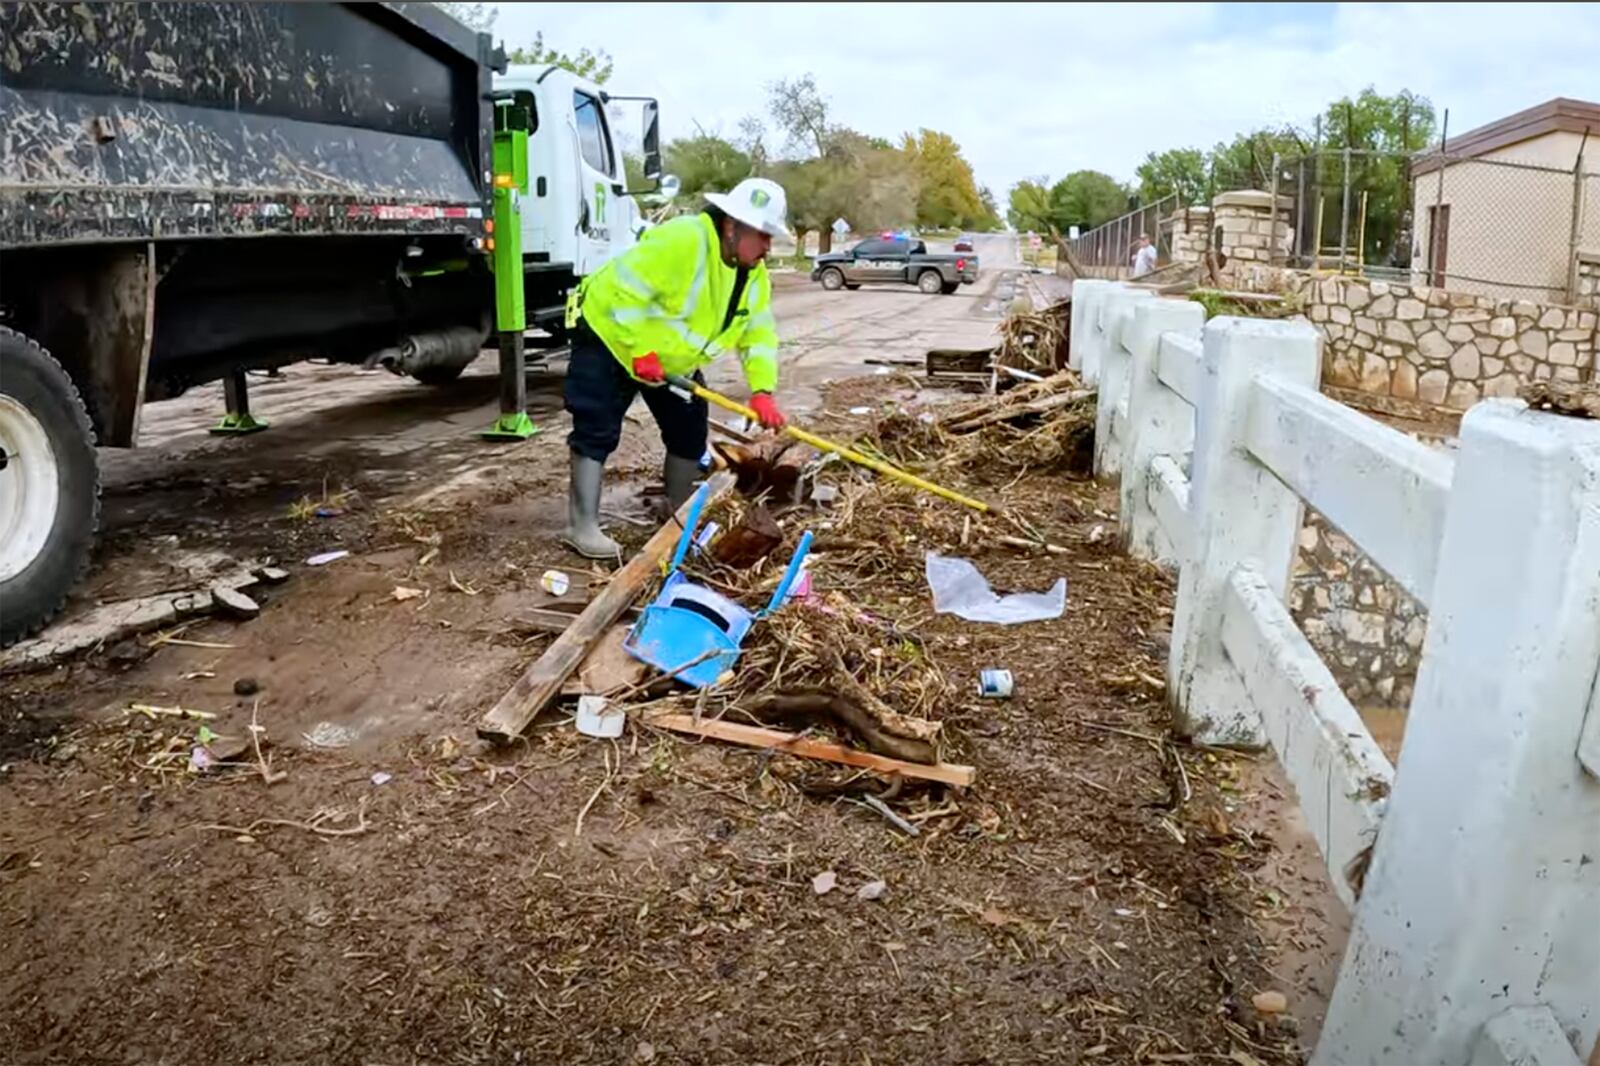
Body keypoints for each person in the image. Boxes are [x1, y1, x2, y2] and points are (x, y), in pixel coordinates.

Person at [560, 177, 790, 558]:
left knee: (688, 428)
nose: (768, 246)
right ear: (731, 226)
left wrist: (763, 390)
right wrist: (639, 350)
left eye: (771, 237)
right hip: (610, 338)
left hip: (668, 361)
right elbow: (625, 291)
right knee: (596, 425)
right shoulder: (683, 240)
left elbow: (759, 334)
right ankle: (581, 526)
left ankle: (678, 517)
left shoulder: (753, 275)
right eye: (762, 235)